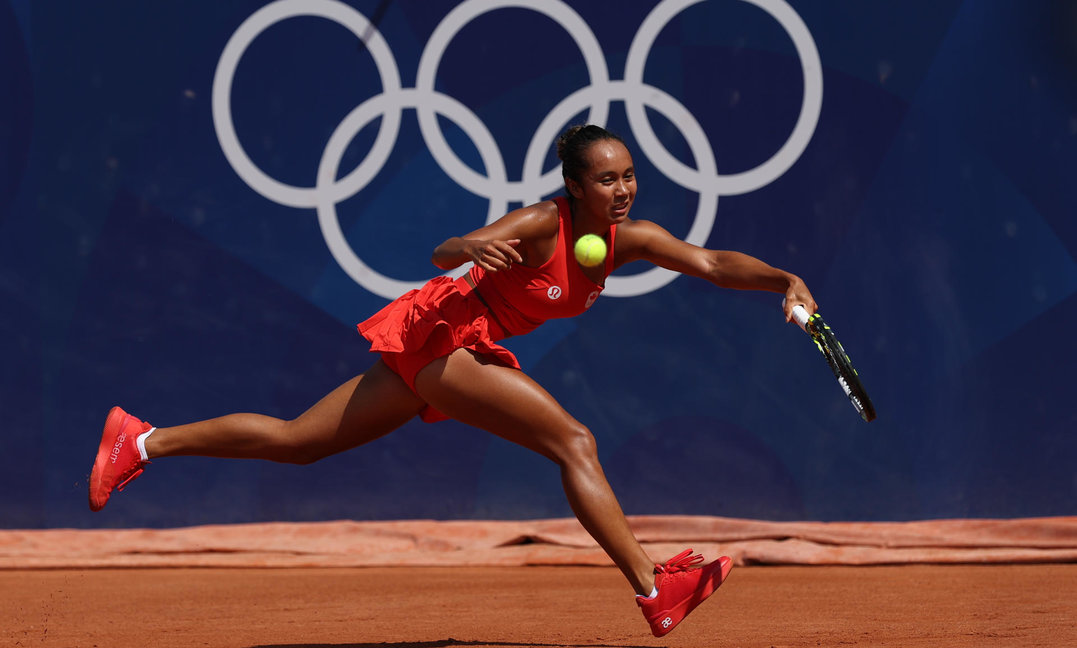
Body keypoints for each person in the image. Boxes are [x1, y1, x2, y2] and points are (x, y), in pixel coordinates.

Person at [89, 124, 818, 637]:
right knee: (573, 441)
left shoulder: (632, 241)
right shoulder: (541, 223)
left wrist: (787, 279)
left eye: (627, 176)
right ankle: (654, 590)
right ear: (574, 185)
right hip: (442, 339)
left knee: (296, 442)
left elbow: (716, 264)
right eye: (605, 178)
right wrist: (470, 245)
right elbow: (445, 252)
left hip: (440, 351)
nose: (622, 189)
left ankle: (141, 442)